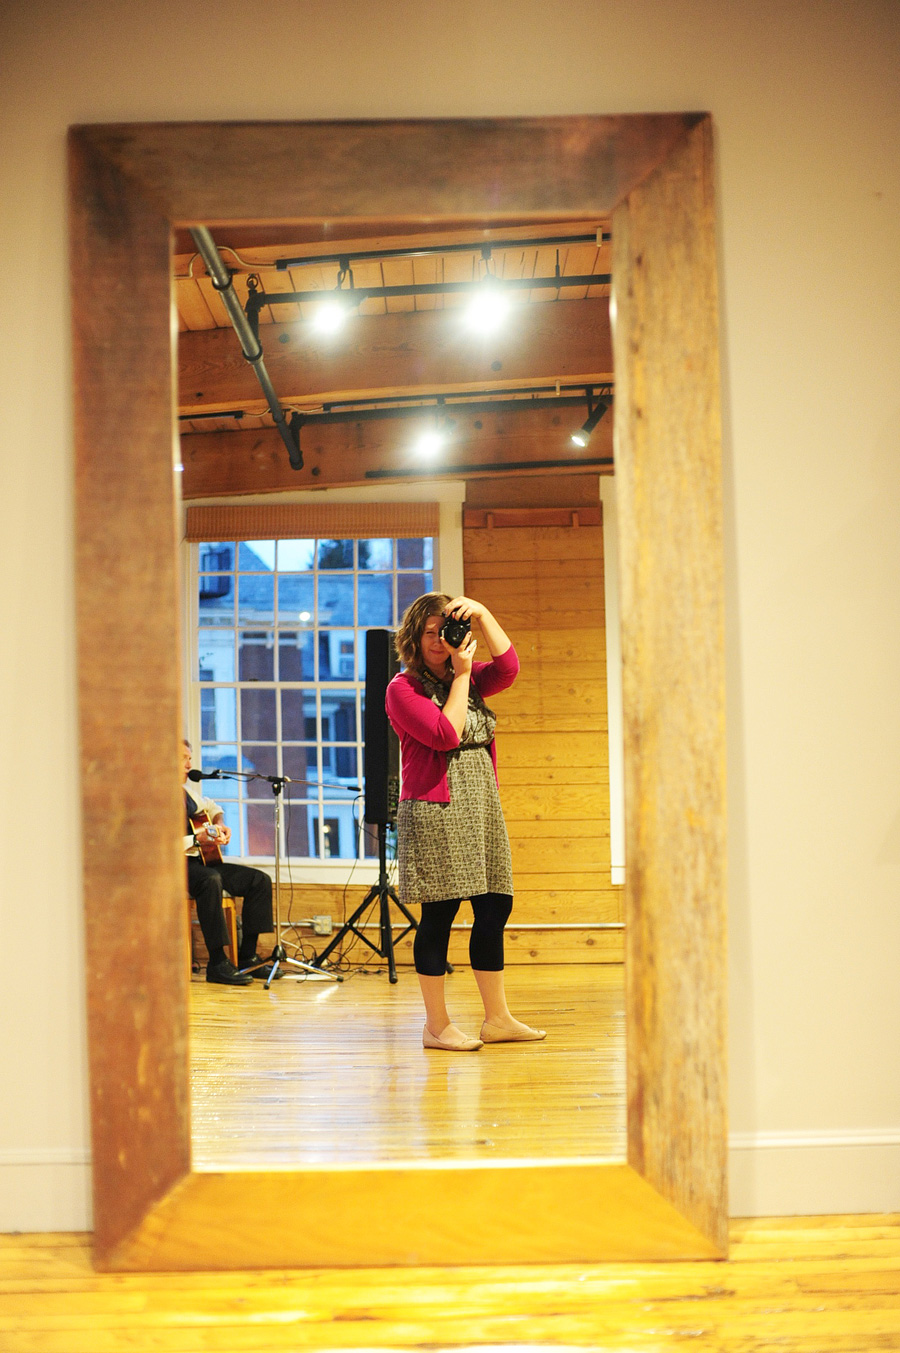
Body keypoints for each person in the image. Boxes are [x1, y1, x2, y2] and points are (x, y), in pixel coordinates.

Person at [386, 593, 546, 1051]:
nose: (440, 640)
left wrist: (482, 613)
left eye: (448, 631)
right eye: (431, 632)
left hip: (480, 805)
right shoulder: (403, 688)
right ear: (415, 637)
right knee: (440, 913)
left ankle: (497, 1019)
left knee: (495, 906)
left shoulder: (470, 676)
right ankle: (436, 1027)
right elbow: (445, 733)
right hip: (436, 809)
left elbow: (509, 667)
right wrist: (459, 675)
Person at [182, 740, 280, 985]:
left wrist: (221, 822)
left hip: (202, 861)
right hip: (177, 865)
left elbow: (213, 807)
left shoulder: (186, 794)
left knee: (259, 880)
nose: (189, 765)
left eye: (190, 758)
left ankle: (247, 957)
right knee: (210, 880)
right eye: (183, 758)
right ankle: (217, 963)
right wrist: (196, 838)